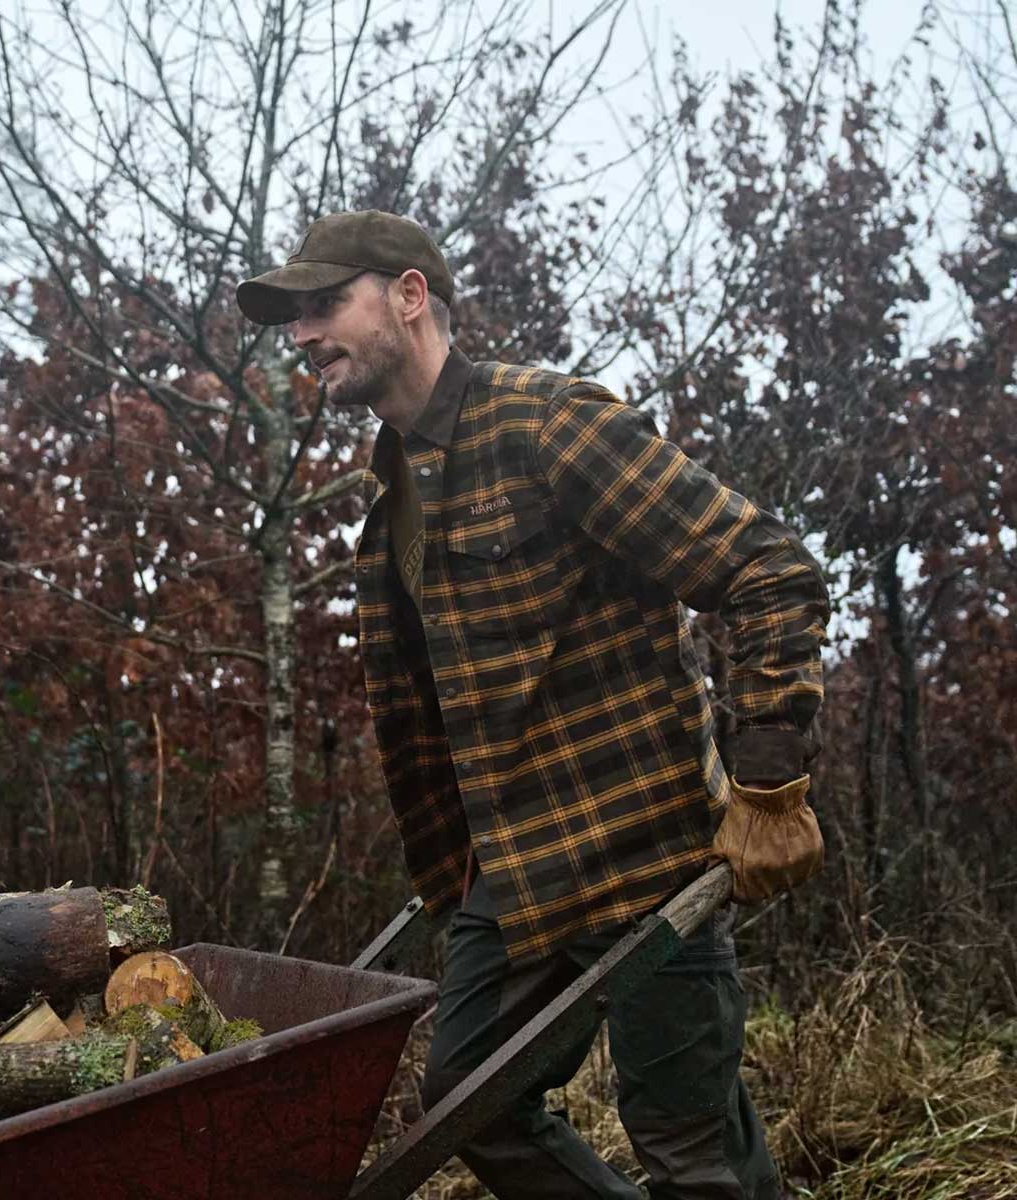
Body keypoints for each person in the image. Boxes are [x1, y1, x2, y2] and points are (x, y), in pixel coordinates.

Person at [237, 209, 828, 1200]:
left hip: (649, 861)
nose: (302, 335)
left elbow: (768, 571)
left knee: (694, 1159)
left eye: (325, 304)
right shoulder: (391, 515)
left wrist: (768, 786)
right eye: (294, 317)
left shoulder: (548, 425)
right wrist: (454, 870)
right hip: (518, 878)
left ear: (410, 296)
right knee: (465, 1101)